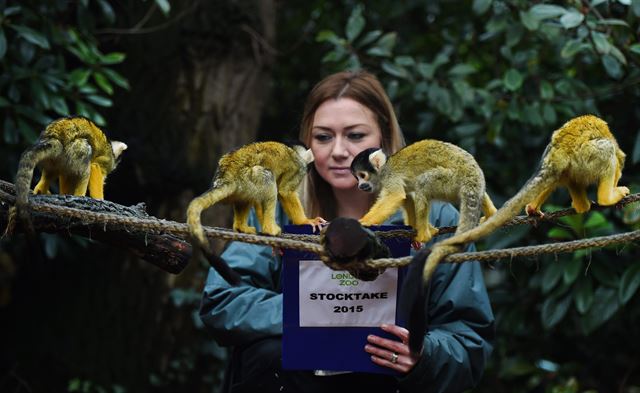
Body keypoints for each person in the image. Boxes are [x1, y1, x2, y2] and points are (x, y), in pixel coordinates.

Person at [199, 70, 495, 393]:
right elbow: (223, 301)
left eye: (355, 136)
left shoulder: (436, 215)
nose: (338, 151)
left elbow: (469, 338)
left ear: (382, 140)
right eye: (323, 137)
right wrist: (315, 311)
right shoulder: (280, 208)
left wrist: (422, 356)